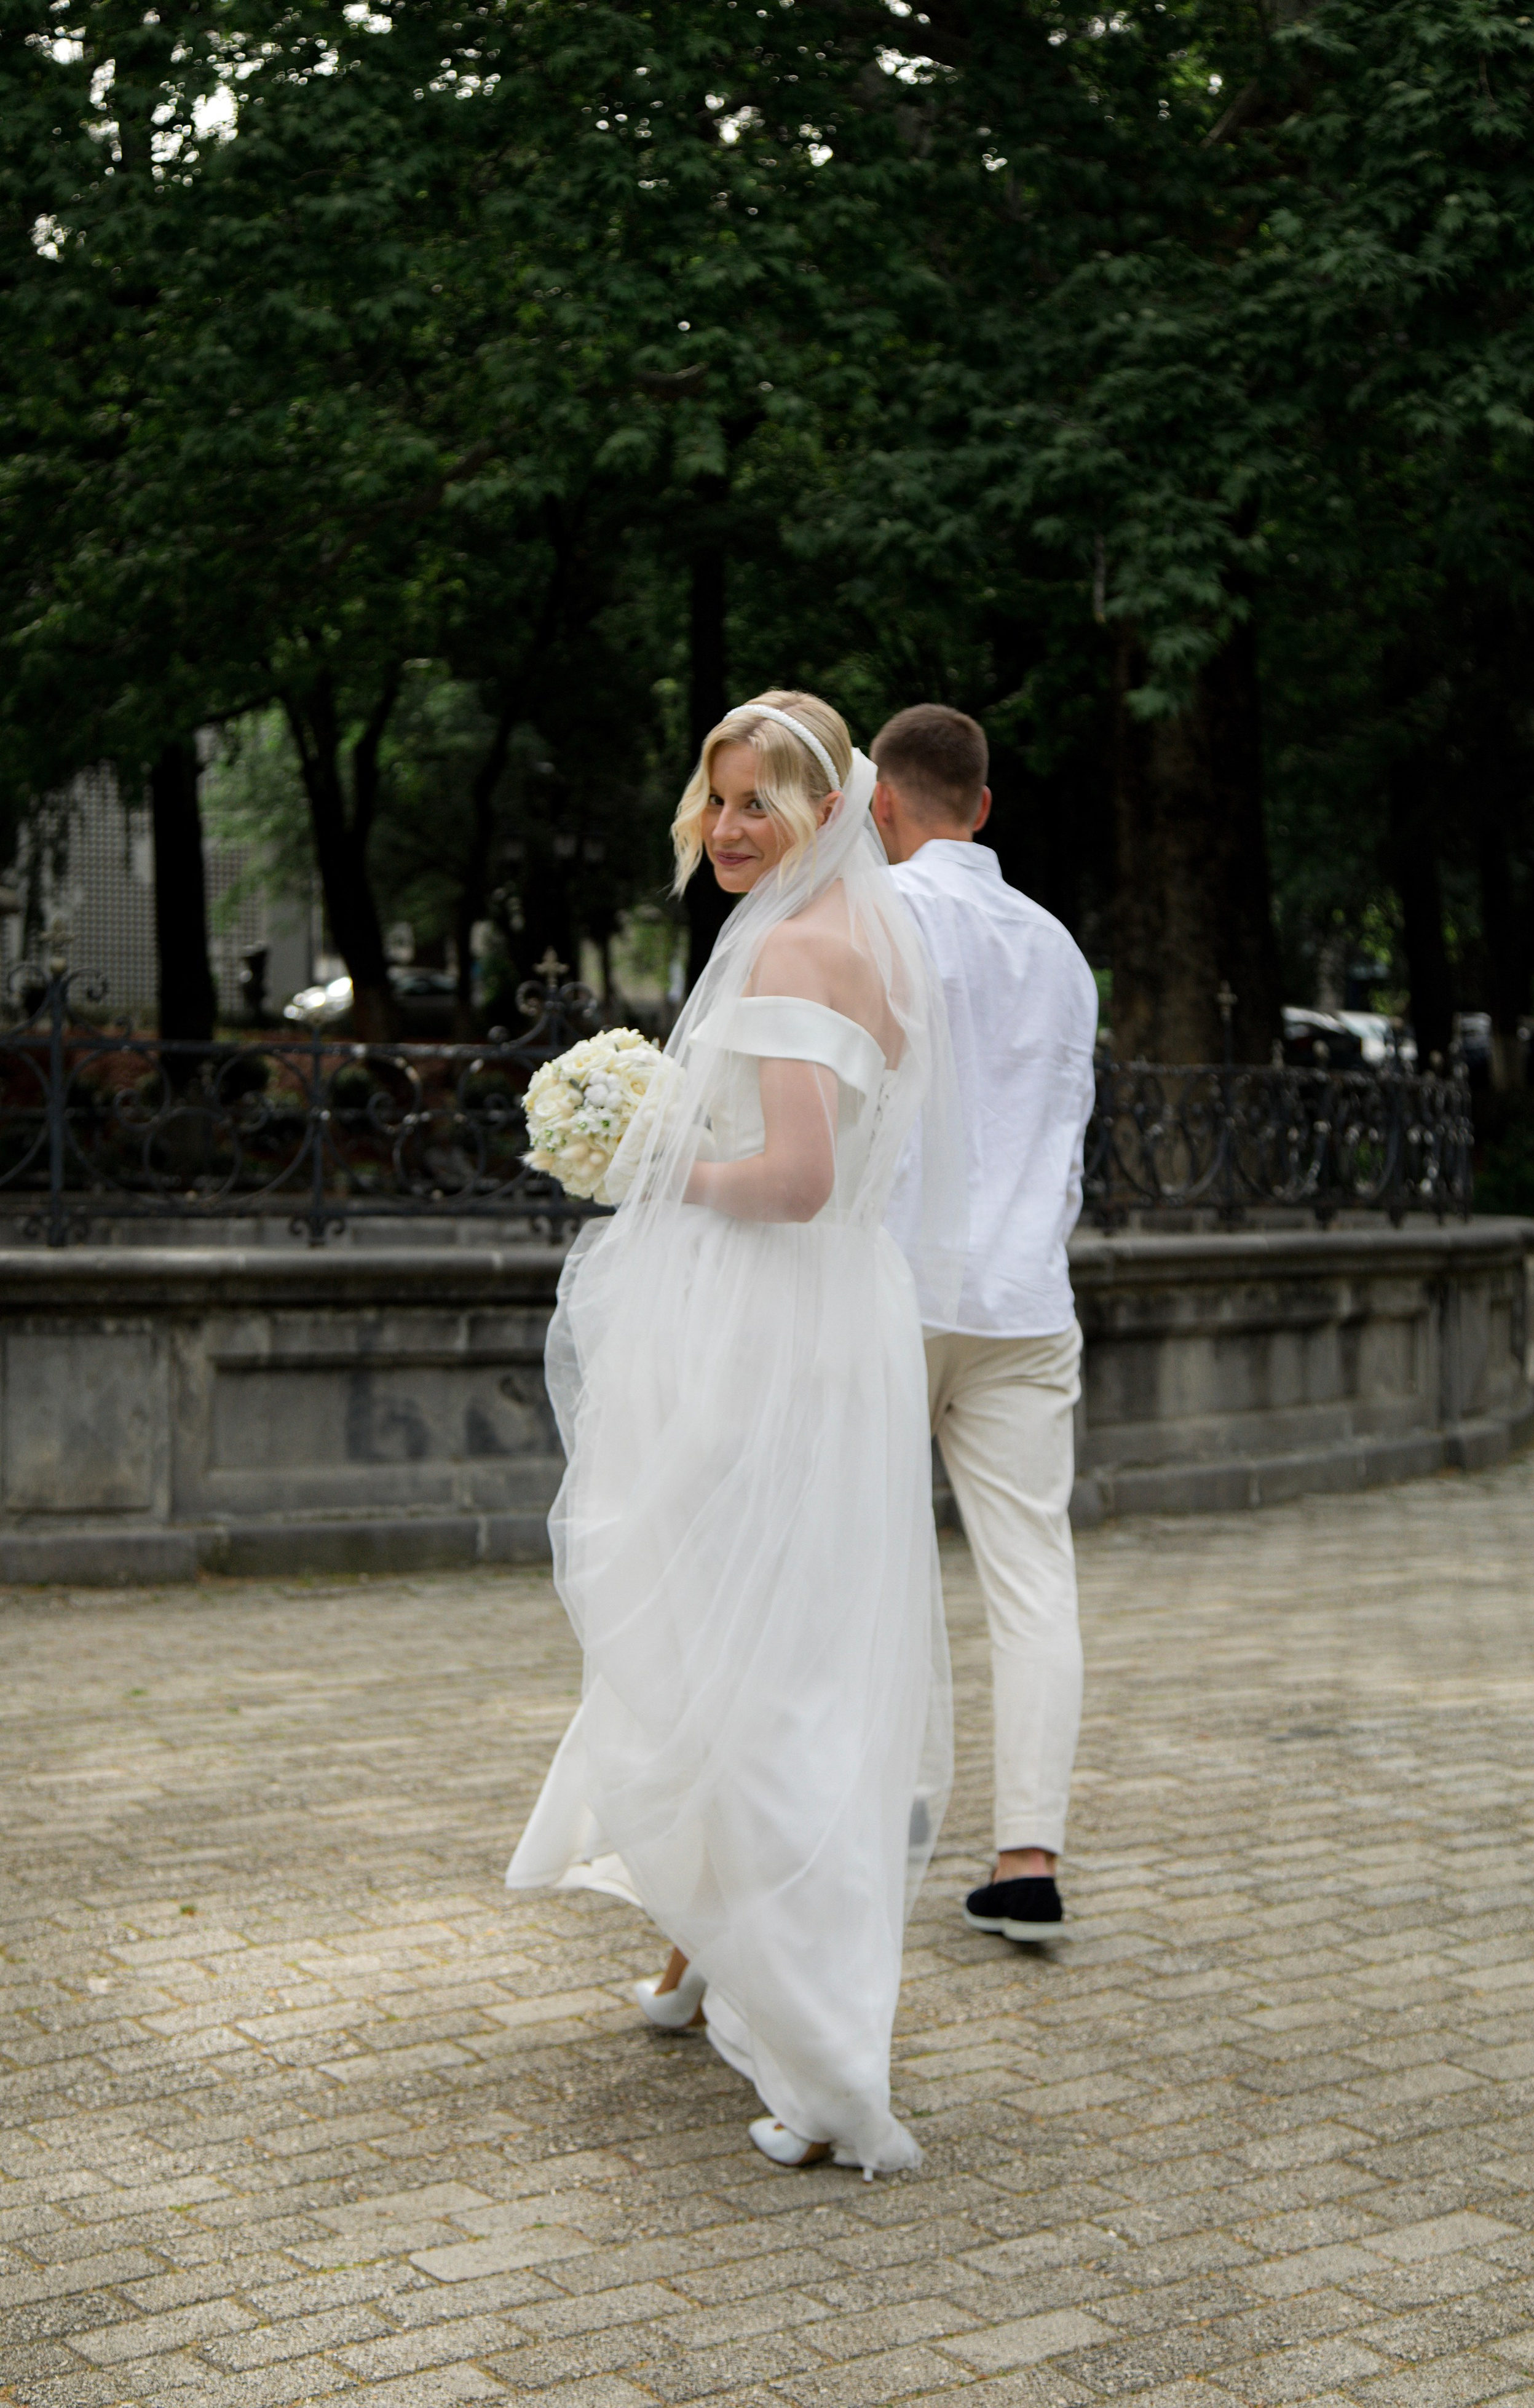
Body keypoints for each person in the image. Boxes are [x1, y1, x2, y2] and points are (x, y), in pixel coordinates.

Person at [508, 690, 966, 2176]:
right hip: (837, 1332)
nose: (725, 829)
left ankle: (832, 2070)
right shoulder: (873, 946)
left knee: (757, 1680)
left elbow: (792, 1179)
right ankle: (715, 1945)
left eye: (757, 802)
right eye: (713, 801)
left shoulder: (788, 943)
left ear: (829, 809)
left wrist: (653, 1160)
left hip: (769, 1330)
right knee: (785, 1657)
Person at [874, 703, 1098, 1946]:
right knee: (1031, 1576)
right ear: (984, 804)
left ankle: (878, 1814)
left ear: (880, 805)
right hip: (1023, 1297)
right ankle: (1025, 1855)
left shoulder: (882, 918)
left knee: (865, 1566)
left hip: (895, 1287)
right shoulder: (1060, 948)